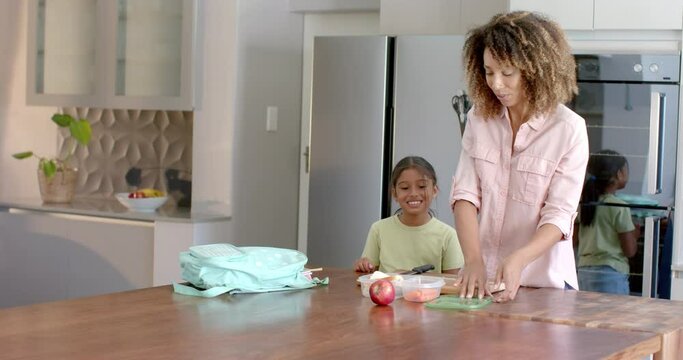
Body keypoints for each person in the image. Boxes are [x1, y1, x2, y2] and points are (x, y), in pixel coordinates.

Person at [450, 11, 589, 302]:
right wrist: (473, 259)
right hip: (484, 283)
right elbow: (465, 195)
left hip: (545, 288)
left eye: (507, 73)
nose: (496, 84)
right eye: (488, 72)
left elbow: (559, 215)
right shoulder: (479, 119)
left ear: (535, 68)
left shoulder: (569, 129)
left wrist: (518, 259)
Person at [354, 156, 464, 274]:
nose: (413, 193)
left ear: (435, 191)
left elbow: (453, 283)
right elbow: (368, 276)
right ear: (394, 193)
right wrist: (363, 266)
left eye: (422, 186)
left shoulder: (448, 235)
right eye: (405, 188)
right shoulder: (378, 229)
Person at [575, 150, 638, 295]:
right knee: (612, 317)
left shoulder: (583, 205)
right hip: (611, 272)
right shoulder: (618, 206)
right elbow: (630, 250)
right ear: (619, 174)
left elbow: (574, 240)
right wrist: (635, 234)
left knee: (588, 316)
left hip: (584, 271)